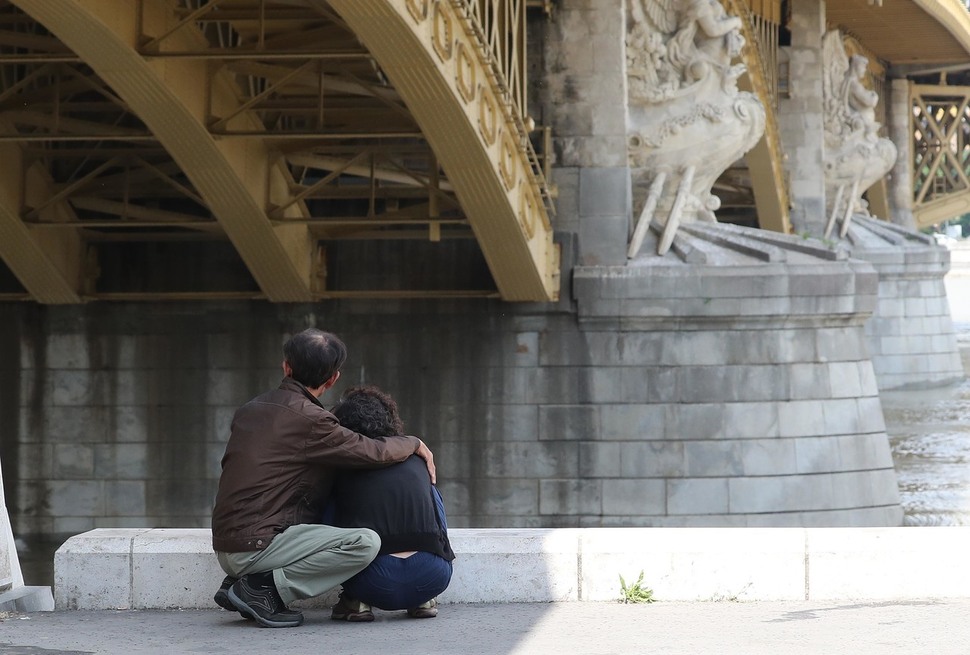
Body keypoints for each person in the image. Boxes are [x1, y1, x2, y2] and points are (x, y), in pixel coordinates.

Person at [210, 329, 435, 628]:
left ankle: (245, 581)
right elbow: (370, 450)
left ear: (286, 366)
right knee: (364, 543)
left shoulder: (250, 410)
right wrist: (414, 443)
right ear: (333, 379)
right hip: (259, 545)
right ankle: (263, 591)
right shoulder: (312, 421)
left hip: (229, 542)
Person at [326, 385, 454, 622]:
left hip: (372, 581)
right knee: (431, 490)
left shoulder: (340, 465)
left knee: (329, 506)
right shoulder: (418, 458)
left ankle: (357, 602)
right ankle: (422, 599)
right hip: (434, 576)